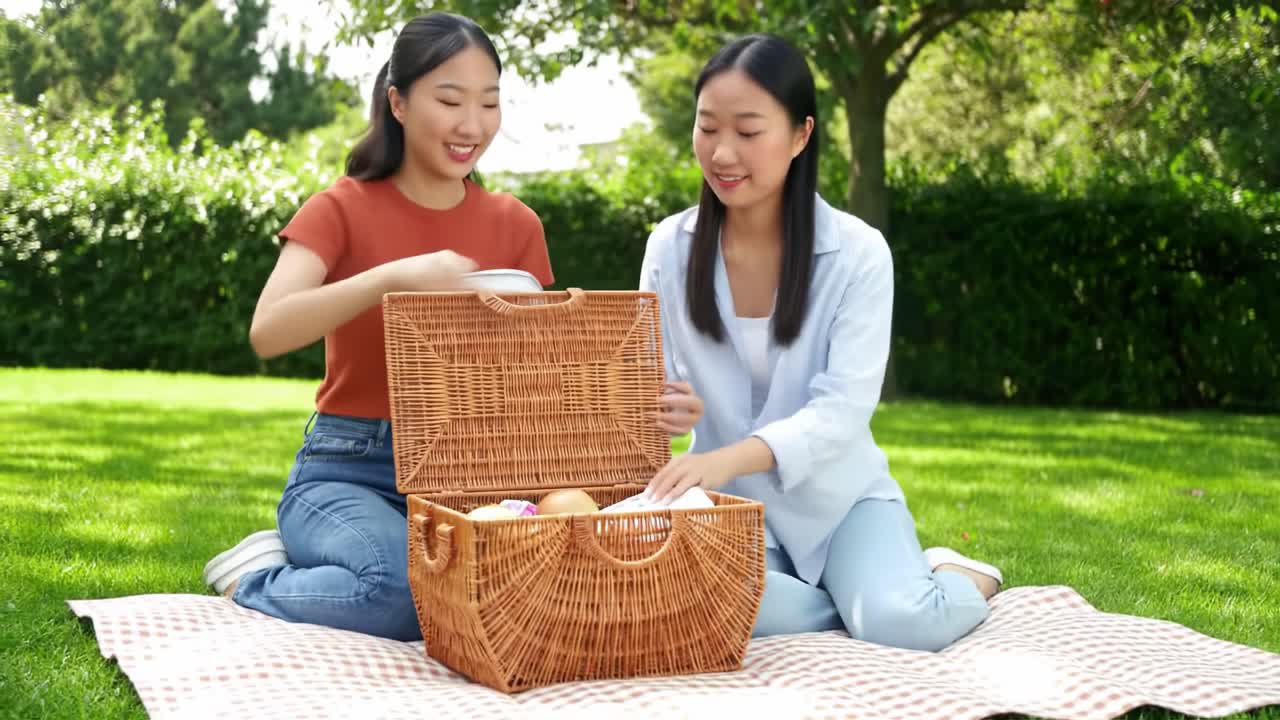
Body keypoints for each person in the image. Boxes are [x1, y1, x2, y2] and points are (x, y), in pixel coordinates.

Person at [640, 33, 1002, 651]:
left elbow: (841, 413)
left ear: (801, 135)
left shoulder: (858, 252)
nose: (722, 152)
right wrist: (663, 412)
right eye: (707, 128)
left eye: (749, 132)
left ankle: (951, 575)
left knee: (903, 624)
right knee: (696, 604)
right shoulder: (669, 248)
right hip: (730, 512)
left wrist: (722, 457)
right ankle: (856, 597)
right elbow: (649, 388)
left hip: (841, 502)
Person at [200, 12, 554, 641]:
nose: (471, 125)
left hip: (474, 470)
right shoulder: (341, 208)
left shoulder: (515, 225)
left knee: (515, 591)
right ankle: (254, 576)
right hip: (347, 467)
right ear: (398, 101)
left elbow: (544, 375)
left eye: (489, 103)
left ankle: (342, 572)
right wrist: (392, 278)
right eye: (449, 100)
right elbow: (269, 331)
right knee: (397, 590)